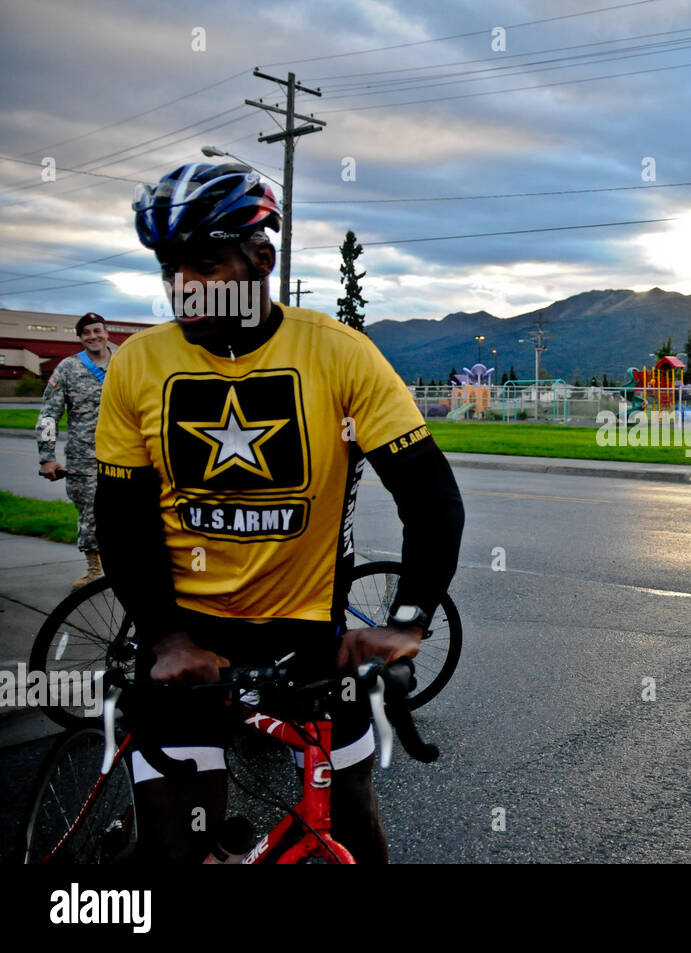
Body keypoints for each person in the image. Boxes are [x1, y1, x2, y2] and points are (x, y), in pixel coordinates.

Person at [96, 161, 465, 862]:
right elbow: (121, 516)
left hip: (306, 632)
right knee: (177, 843)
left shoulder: (339, 354)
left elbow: (430, 496)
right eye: (171, 267)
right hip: (184, 630)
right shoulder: (137, 365)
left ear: (261, 257)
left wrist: (408, 621)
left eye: (205, 263)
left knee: (352, 821)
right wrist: (165, 636)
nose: (185, 287)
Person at [37, 312, 114, 588]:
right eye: (86, 333)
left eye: (97, 331)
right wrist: (47, 457)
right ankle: (95, 570)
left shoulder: (125, 361)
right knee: (91, 512)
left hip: (125, 452)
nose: (93, 337)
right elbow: (49, 414)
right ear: (80, 338)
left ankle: (125, 567)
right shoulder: (68, 368)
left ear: (106, 332)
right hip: (85, 457)